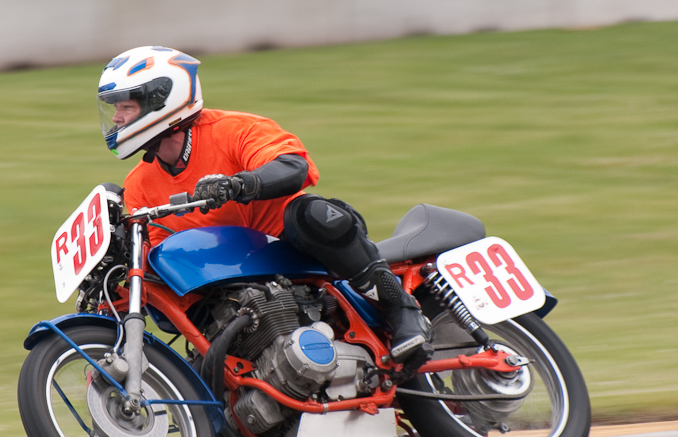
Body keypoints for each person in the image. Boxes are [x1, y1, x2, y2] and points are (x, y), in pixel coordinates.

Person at [97, 45, 432, 367]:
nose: (116, 117)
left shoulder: (235, 130)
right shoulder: (139, 185)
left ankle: (401, 308)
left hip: (290, 250)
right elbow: (156, 254)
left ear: (161, 101)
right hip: (230, 282)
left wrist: (239, 184)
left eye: (125, 107)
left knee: (310, 214)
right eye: (114, 108)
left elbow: (292, 166)